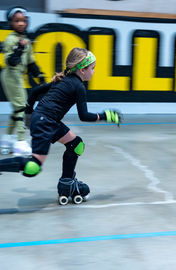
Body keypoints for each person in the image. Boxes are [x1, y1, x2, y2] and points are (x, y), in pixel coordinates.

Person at [0, 47, 122, 205]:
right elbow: (84, 116)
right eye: (92, 68)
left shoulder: (64, 78)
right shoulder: (78, 86)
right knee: (33, 167)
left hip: (46, 120)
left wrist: (29, 116)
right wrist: (105, 116)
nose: (93, 72)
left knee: (76, 144)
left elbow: (35, 92)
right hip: (46, 122)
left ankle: (66, 184)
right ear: (82, 69)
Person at [0, 6, 45, 156]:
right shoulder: (11, 39)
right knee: (21, 107)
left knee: (17, 109)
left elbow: (31, 62)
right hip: (10, 75)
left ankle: (6, 141)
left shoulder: (26, 40)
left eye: (23, 20)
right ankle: (20, 142)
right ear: (11, 23)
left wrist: (39, 75)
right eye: (16, 21)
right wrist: (19, 47)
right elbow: (11, 62)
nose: (20, 23)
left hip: (18, 76)